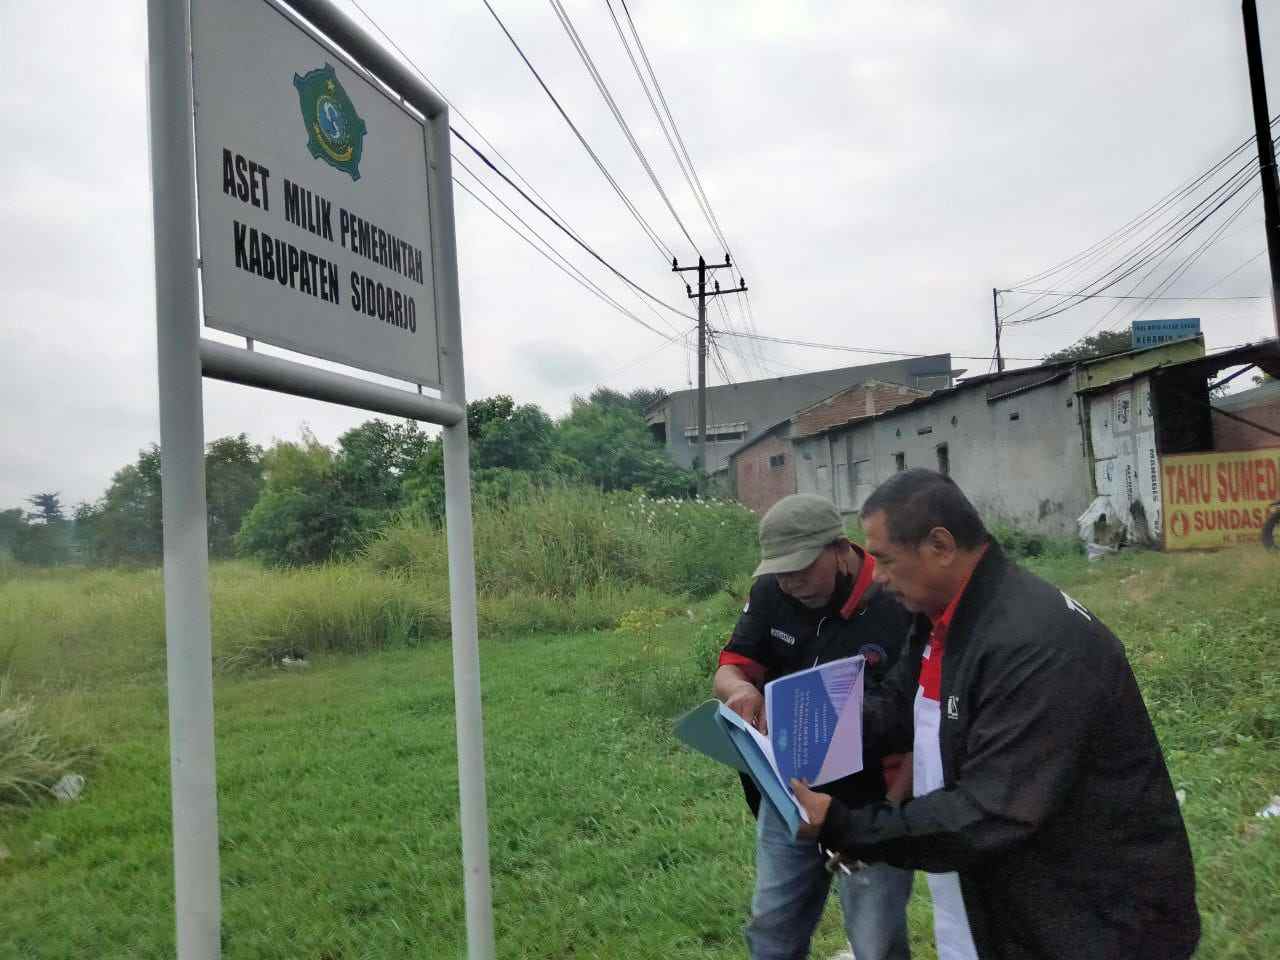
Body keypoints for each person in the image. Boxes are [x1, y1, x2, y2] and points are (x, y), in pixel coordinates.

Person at [790, 469, 1200, 960]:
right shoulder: (943, 616)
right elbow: (902, 708)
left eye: (885, 560)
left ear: (940, 546)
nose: (875, 576)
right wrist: (802, 735)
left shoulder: (1034, 644)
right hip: (1009, 893)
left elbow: (989, 812)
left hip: (1093, 915)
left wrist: (846, 825)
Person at [715, 493, 915, 960]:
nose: (790, 583)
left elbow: (920, 724)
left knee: (876, 943)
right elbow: (731, 668)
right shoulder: (771, 593)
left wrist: (888, 813)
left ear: (840, 549)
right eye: (780, 571)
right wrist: (740, 691)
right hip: (790, 790)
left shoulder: (897, 602)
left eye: (802, 569)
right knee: (771, 926)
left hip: (871, 800)